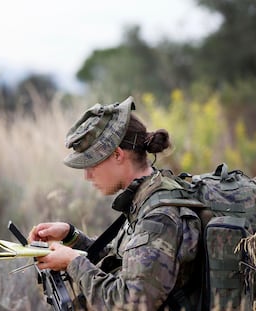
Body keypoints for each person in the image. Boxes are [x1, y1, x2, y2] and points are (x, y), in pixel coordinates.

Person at [28, 96, 203, 310]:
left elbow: (132, 303)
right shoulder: (146, 195)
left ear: (118, 154)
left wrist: (73, 263)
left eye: (91, 164)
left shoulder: (158, 216)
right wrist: (72, 237)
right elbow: (125, 261)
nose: (87, 176)